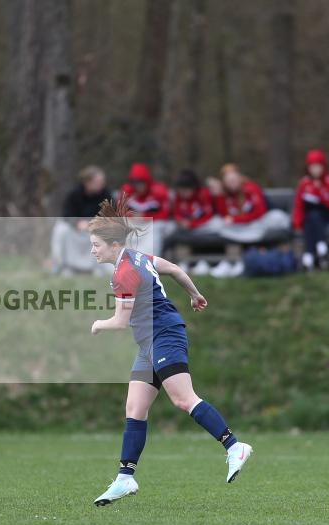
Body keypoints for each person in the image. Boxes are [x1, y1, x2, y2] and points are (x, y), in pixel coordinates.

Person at [87, 201, 252, 506]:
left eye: (96, 245)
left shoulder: (124, 272)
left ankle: (234, 446)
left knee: (183, 399)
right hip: (148, 343)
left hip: (164, 335)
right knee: (135, 408)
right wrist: (194, 294)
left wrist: (98, 325)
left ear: (114, 245)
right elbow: (175, 269)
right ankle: (124, 478)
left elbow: (120, 322)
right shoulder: (138, 258)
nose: (93, 250)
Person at [51, 166, 112, 274]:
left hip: (95, 229)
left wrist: (92, 224)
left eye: (102, 182)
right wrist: (77, 223)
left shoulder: (106, 194)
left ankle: (98, 267)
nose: (101, 184)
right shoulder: (74, 194)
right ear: (87, 182)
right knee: (61, 229)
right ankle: (61, 266)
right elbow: (67, 214)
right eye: (98, 182)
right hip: (75, 229)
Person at [292, 149, 329, 271]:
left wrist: (320, 195)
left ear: (323, 166)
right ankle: (322, 252)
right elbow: (298, 205)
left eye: (318, 166)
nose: (316, 170)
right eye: (312, 167)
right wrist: (296, 223)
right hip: (309, 219)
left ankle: (308, 257)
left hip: (327, 218)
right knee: (311, 217)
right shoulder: (304, 183)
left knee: (315, 216)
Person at [118, 163, 173, 255]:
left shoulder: (158, 191)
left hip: (155, 223)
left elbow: (165, 214)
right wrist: (132, 215)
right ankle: (126, 258)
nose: (138, 186)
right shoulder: (127, 191)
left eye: (141, 183)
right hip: (135, 222)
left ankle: (149, 258)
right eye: (135, 183)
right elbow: (120, 211)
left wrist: (145, 216)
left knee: (156, 228)